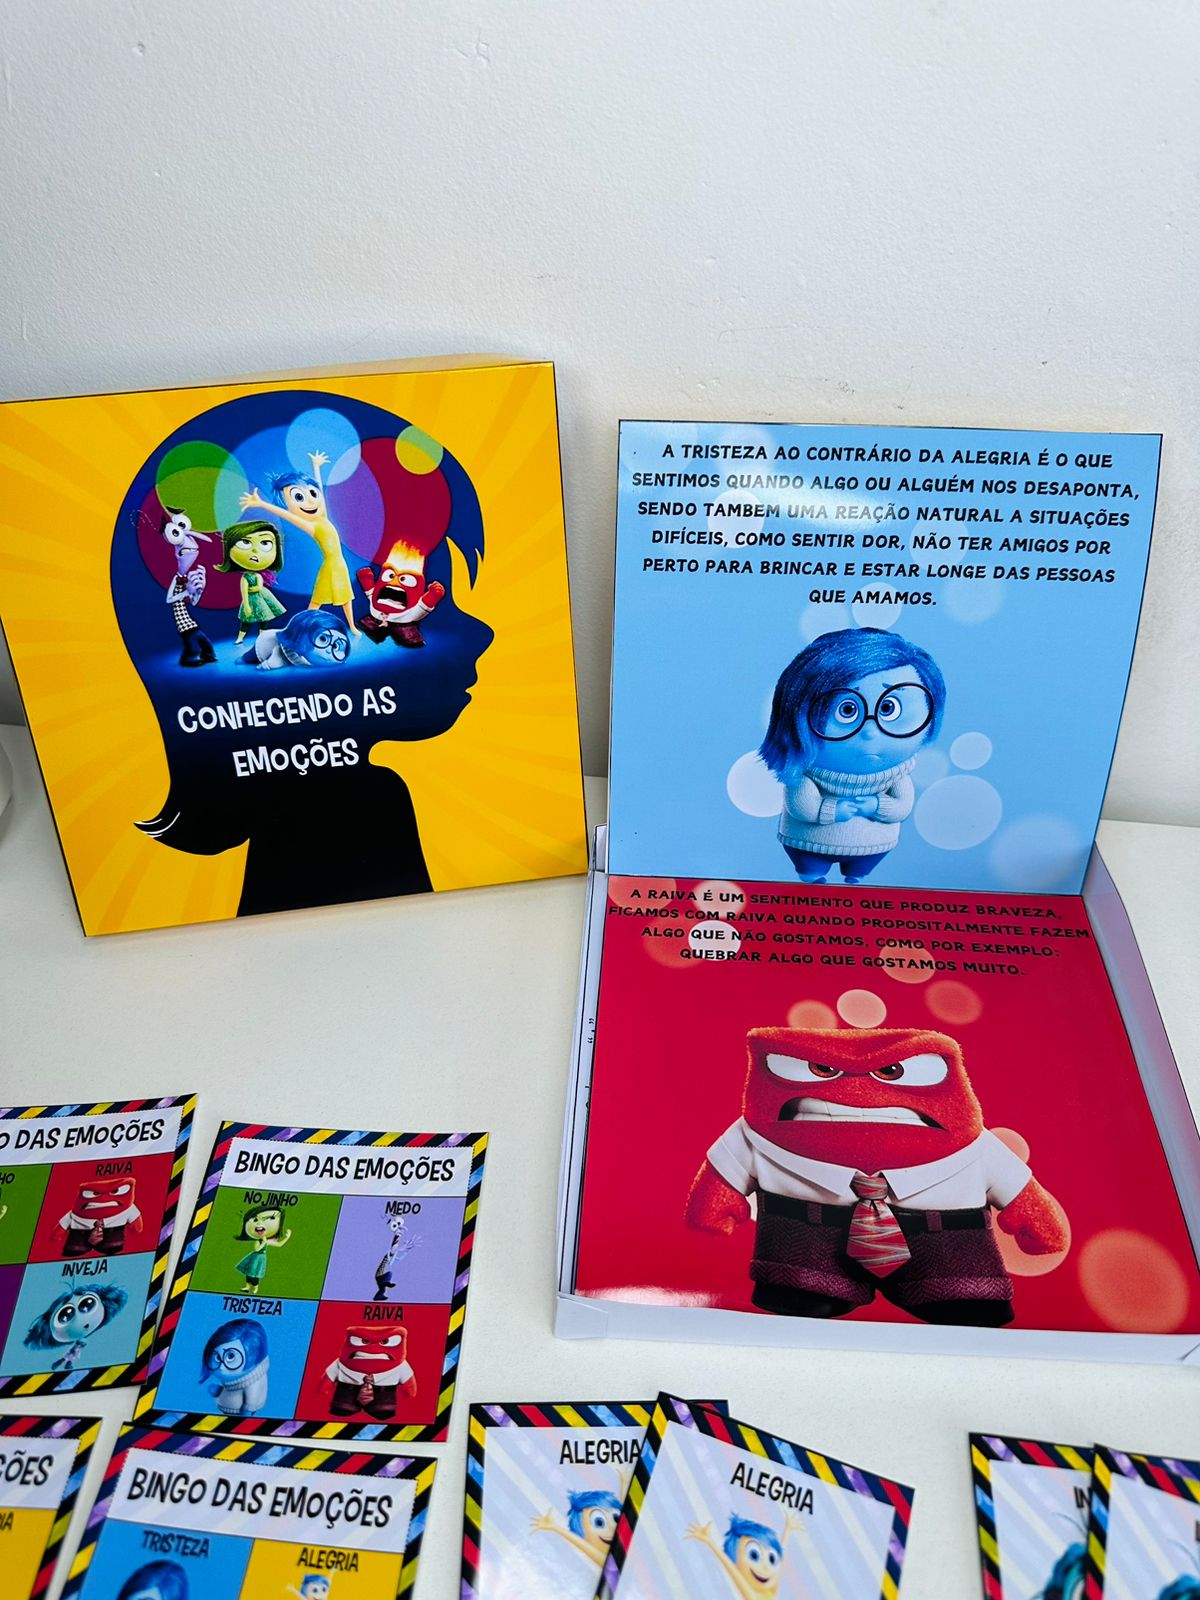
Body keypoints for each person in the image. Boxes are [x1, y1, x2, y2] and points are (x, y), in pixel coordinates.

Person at [759, 627, 946, 883]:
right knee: (810, 873)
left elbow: (901, 807)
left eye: (888, 708)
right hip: (807, 842)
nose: (870, 731)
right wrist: (830, 810)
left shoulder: (897, 776)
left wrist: (878, 806)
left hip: (874, 845)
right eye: (847, 710)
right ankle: (811, 878)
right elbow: (801, 806)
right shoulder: (803, 775)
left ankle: (856, 878)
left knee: (859, 879)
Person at [241, 450, 358, 636]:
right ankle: (300, 628)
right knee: (317, 601)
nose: (310, 501)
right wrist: (262, 504)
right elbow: (286, 515)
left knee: (346, 596)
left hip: (340, 565)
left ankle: (352, 626)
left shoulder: (323, 517)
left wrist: (316, 467)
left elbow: (319, 490)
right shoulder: (312, 526)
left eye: (311, 494)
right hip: (330, 566)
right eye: (299, 497)